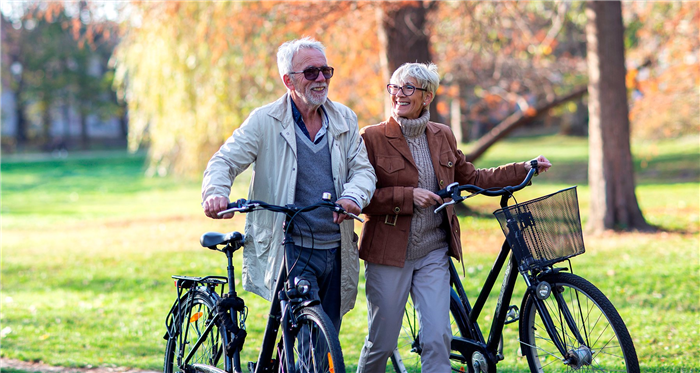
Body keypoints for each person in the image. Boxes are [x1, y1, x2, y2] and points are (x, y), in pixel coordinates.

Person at [356, 62, 551, 372]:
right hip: (389, 254)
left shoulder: (441, 135)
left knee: (437, 339)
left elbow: (472, 176)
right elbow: (361, 196)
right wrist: (408, 196)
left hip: (433, 250)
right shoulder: (372, 137)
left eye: (408, 88)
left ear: (427, 96)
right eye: (394, 87)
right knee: (382, 342)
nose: (398, 95)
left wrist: (523, 168)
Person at [201, 37, 376, 330]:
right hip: (292, 248)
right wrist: (216, 193)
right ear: (288, 81)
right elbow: (224, 162)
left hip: (335, 248)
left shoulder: (345, 118)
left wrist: (353, 197)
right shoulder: (264, 121)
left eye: (325, 71)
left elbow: (363, 170)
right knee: (305, 335)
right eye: (310, 72)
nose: (321, 79)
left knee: (325, 339)